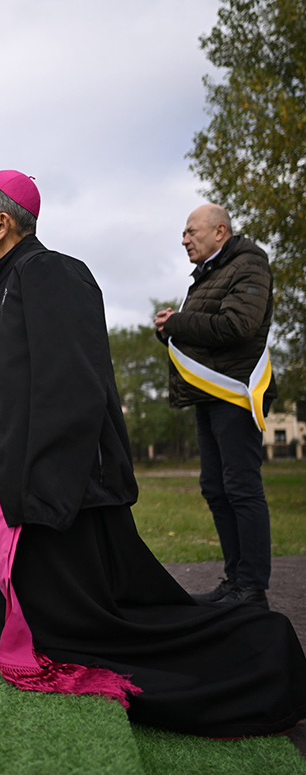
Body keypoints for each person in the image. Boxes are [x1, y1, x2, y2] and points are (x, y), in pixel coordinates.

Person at [0, 171, 306, 739]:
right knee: (36, 625)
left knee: (97, 636)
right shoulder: (15, 281)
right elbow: (20, 391)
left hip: (62, 494)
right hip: (43, 485)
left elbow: (68, 392)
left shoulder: (52, 273)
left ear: (2, 223)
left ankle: (260, 651)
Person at [154, 204, 275, 609]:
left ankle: (252, 589)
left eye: (191, 231)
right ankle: (235, 579)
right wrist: (170, 332)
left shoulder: (249, 264)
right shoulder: (209, 273)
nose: (184, 239)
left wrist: (177, 323)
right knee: (215, 487)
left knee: (241, 488)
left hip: (235, 394)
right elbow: (205, 332)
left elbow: (236, 326)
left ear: (219, 231)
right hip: (209, 395)